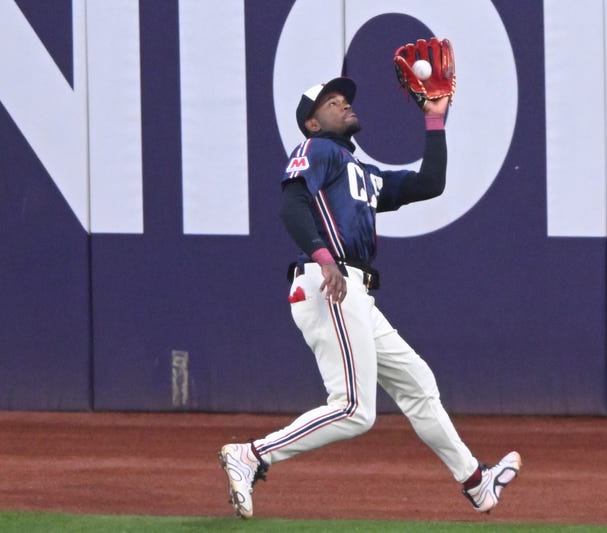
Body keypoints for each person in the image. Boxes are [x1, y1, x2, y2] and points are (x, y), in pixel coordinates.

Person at [218, 76, 521, 519]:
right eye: (331, 103)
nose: (343, 105)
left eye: (344, 100)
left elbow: (429, 184)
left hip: (352, 289)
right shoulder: (316, 149)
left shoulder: (361, 172)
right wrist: (325, 259)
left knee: (417, 383)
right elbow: (292, 204)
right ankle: (252, 455)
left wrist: (434, 119)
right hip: (330, 282)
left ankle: (477, 482)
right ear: (312, 123)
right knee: (356, 410)